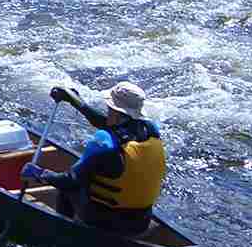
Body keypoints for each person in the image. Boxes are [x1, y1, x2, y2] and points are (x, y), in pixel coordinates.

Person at [21, 80, 166, 235]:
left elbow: (69, 181)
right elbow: (110, 125)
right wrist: (77, 102)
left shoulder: (104, 143)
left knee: (68, 188)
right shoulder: (150, 131)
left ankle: (63, 234)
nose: (107, 110)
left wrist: (39, 173)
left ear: (115, 111)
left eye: (109, 108)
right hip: (140, 222)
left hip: (106, 221)